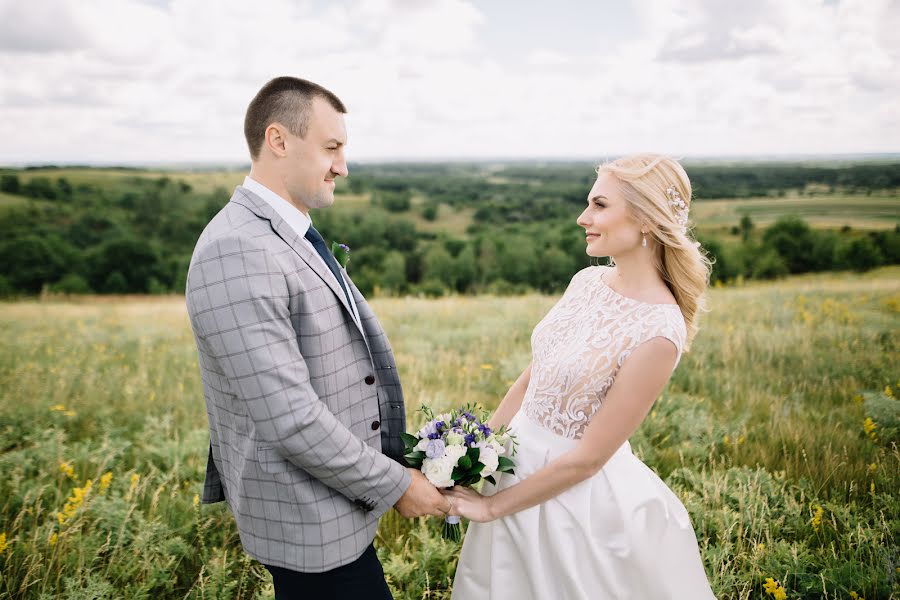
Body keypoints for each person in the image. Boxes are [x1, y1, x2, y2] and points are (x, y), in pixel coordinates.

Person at [185, 76, 449, 599]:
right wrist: (397, 485)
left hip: (333, 510)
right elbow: (291, 419)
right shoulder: (237, 249)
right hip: (307, 521)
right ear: (278, 140)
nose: (343, 166)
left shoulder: (285, 230)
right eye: (332, 147)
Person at [445, 154, 717, 599]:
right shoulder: (586, 281)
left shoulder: (659, 330)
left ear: (646, 219)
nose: (583, 217)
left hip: (572, 504)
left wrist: (493, 507)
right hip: (513, 468)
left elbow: (589, 459)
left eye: (599, 205)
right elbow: (534, 376)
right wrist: (475, 450)